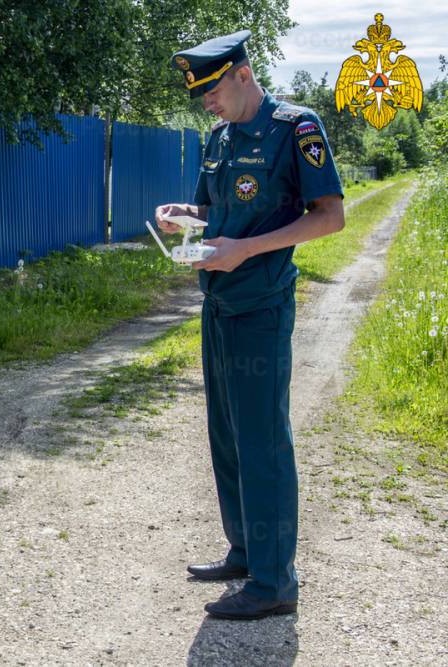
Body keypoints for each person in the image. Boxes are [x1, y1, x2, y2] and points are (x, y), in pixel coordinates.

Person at [155, 30, 345, 620]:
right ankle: (245, 551)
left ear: (242, 73)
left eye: (212, 90)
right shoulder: (219, 137)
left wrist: (246, 249)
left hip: (261, 305)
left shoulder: (296, 128)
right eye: (201, 96)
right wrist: (185, 214)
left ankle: (274, 582)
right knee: (228, 437)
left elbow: (330, 218)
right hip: (217, 302)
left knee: (263, 442)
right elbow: (218, 210)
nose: (206, 103)